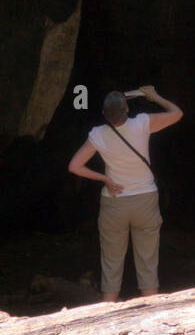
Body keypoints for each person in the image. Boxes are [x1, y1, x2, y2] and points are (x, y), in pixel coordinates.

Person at [68, 84, 183, 301]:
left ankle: (107, 311)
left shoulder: (98, 134)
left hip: (114, 202)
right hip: (145, 200)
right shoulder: (142, 123)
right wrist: (155, 96)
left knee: (111, 262)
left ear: (104, 114)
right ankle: (150, 309)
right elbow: (177, 114)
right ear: (127, 110)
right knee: (147, 261)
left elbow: (74, 166)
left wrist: (105, 179)